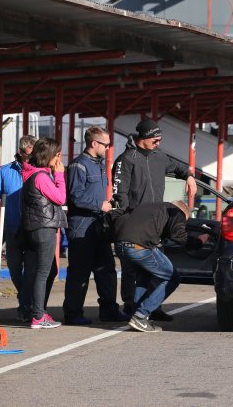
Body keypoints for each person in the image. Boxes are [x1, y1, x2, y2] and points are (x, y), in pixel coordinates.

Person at [112, 119, 196, 321]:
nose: (158, 143)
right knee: (132, 272)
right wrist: (124, 217)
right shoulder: (126, 159)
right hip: (134, 224)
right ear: (144, 138)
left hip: (155, 226)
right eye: (155, 140)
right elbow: (119, 194)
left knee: (153, 273)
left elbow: (180, 167)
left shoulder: (160, 157)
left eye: (160, 139)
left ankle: (151, 307)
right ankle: (132, 307)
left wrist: (189, 176)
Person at [63, 126, 130, 325]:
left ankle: (109, 310)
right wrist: (99, 205)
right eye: (106, 144)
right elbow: (75, 197)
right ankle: (73, 314)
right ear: (94, 143)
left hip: (99, 225)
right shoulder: (78, 166)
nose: (109, 148)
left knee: (107, 269)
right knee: (79, 272)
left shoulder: (100, 165)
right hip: (82, 226)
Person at [113, 201, 209, 332]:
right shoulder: (177, 212)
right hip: (139, 247)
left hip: (120, 246)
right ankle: (141, 316)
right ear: (184, 212)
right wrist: (198, 241)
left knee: (144, 276)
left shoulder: (150, 207)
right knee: (172, 278)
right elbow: (178, 236)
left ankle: (135, 315)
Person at [0, 135, 36, 322]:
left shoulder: (40, 171)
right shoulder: (6, 171)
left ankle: (26, 306)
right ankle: (25, 301)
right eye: (28, 156)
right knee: (15, 270)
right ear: (21, 152)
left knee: (31, 271)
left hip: (33, 229)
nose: (31, 159)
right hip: (12, 228)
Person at [21, 137, 66, 329]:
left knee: (48, 271)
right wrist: (60, 175)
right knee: (43, 273)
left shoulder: (33, 174)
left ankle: (38, 310)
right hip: (43, 228)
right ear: (49, 155)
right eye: (57, 154)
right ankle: (38, 315)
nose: (60, 158)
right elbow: (60, 198)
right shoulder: (41, 176)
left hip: (36, 227)